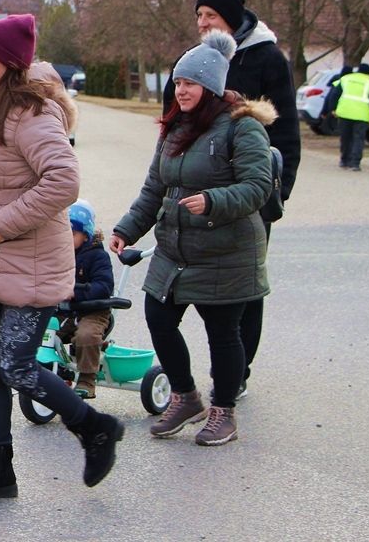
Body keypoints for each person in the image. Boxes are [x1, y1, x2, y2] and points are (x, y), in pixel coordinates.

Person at [0, 15, 123, 503]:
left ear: (9, 62)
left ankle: (95, 428)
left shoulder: (33, 113)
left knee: (15, 365)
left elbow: (63, 181)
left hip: (29, 257)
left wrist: (2, 224)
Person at [112, 31, 274, 446]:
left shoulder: (242, 127)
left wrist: (214, 200)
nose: (181, 90)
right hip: (176, 248)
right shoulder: (175, 127)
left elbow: (258, 186)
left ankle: (224, 412)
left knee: (223, 334)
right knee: (158, 317)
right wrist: (126, 228)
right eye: (179, 82)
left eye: (190, 83)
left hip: (226, 251)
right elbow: (154, 188)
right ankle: (185, 397)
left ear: (211, 86)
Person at [163, 0, 301, 398]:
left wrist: (276, 192)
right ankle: (202, 376)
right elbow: (172, 123)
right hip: (195, 195)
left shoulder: (267, 58)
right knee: (184, 287)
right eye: (199, 15)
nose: (202, 23)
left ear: (232, 17)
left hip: (249, 193)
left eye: (211, 15)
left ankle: (237, 372)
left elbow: (285, 131)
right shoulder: (193, 61)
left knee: (244, 290)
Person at [58, 200, 114, 399]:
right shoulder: (58, 254)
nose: (66, 238)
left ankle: (87, 379)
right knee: (41, 332)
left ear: (85, 234)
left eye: (72, 234)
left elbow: (104, 287)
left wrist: (76, 292)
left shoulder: (97, 256)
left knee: (86, 336)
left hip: (93, 311)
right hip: (64, 311)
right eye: (63, 233)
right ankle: (56, 372)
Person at [323, 63, 369, 171]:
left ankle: (344, 160)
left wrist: (333, 109)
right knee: (358, 139)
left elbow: (335, 94)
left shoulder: (346, 78)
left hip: (344, 113)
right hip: (362, 116)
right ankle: (355, 163)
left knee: (345, 138)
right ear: (368, 73)